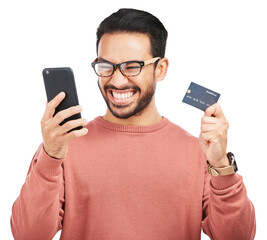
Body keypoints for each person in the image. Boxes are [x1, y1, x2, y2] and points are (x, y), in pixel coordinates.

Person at [11, 8, 256, 240]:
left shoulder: (198, 151)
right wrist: (50, 156)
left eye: (132, 66)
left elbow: (238, 236)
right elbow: (28, 235)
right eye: (106, 66)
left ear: (160, 69)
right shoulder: (63, 146)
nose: (117, 81)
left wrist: (221, 164)